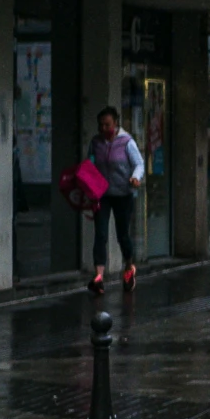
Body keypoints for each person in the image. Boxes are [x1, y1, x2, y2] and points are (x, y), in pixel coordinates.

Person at [87, 106, 144, 293]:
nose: (104, 129)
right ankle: (98, 278)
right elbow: (90, 163)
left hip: (123, 194)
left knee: (122, 235)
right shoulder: (96, 142)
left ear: (116, 123)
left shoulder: (126, 142)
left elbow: (138, 163)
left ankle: (129, 267)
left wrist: (135, 177)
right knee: (100, 234)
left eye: (108, 125)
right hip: (102, 195)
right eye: (101, 125)